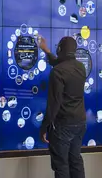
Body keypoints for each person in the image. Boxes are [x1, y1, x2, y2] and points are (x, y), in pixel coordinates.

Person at [39, 36, 87, 178]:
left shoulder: (57, 72)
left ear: (60, 49)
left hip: (63, 125)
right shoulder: (81, 67)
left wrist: (44, 127)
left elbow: (54, 104)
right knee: (76, 160)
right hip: (80, 122)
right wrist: (46, 51)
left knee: (61, 166)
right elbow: (60, 63)